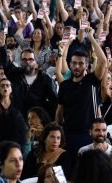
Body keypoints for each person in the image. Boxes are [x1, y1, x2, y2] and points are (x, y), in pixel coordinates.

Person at [55, 28, 107, 161]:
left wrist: (91, 37)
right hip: (68, 135)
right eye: (74, 63)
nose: (77, 66)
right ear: (70, 65)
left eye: (80, 63)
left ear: (86, 66)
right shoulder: (65, 85)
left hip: (88, 135)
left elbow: (103, 61)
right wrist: (57, 131)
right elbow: (60, 112)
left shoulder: (92, 80)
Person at [1, 48, 57, 119]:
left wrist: (47, 119)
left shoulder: (45, 79)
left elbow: (54, 101)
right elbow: (6, 64)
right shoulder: (15, 74)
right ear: (20, 62)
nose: (27, 62)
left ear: (36, 62)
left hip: (37, 120)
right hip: (18, 120)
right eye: (24, 59)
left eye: (31, 59)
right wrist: (2, 46)